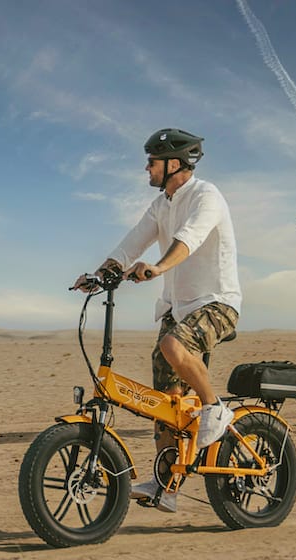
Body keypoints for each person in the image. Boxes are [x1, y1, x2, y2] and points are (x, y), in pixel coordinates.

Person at [72, 128, 242, 513]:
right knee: (166, 405)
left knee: (172, 346)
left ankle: (215, 407)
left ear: (175, 164)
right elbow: (131, 243)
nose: (146, 167)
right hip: (177, 309)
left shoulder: (206, 196)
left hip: (217, 303)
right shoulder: (160, 205)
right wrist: (100, 274)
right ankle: (167, 486)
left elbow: (190, 238)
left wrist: (158, 267)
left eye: (151, 161)